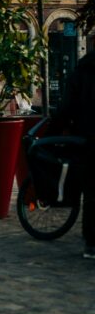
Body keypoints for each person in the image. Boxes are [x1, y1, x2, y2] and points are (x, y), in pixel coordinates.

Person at [53, 51, 95, 259]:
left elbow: (65, 108)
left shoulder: (81, 72)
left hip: (87, 139)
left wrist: (53, 133)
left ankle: (92, 243)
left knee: (91, 192)